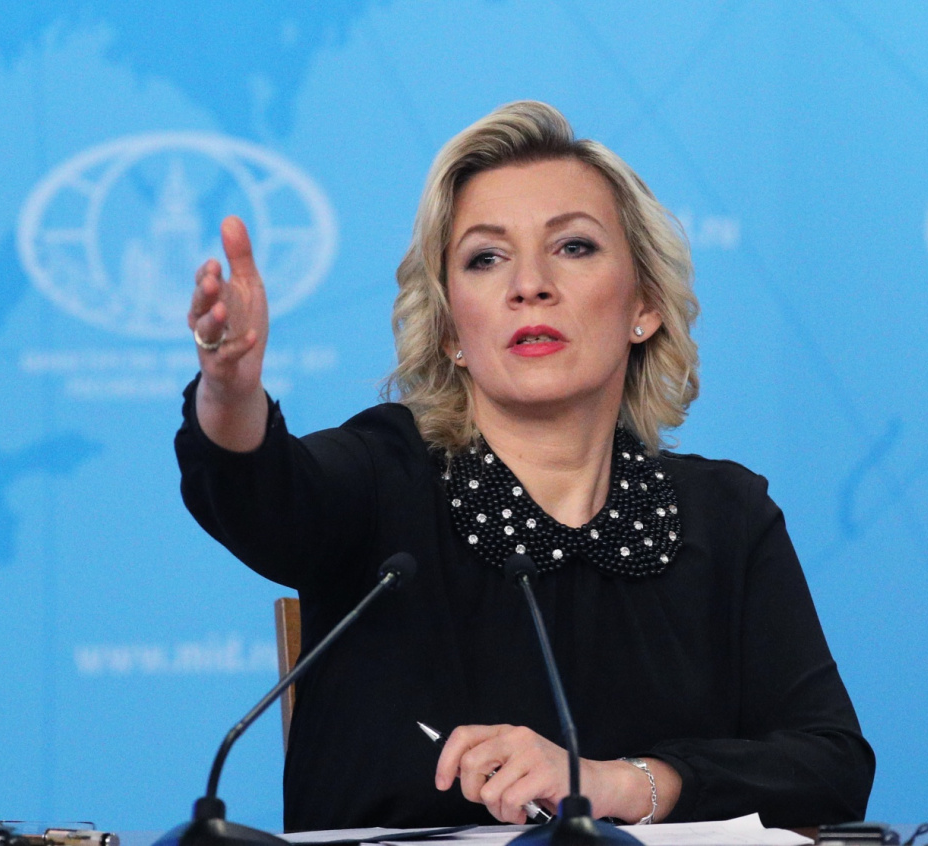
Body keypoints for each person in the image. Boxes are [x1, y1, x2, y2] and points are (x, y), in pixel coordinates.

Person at [175, 101, 875, 832]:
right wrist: (231, 395)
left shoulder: (725, 516)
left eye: (573, 247)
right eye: (486, 258)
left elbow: (830, 766)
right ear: (451, 330)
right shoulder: (383, 478)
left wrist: (620, 783)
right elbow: (263, 495)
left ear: (644, 305)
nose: (529, 284)